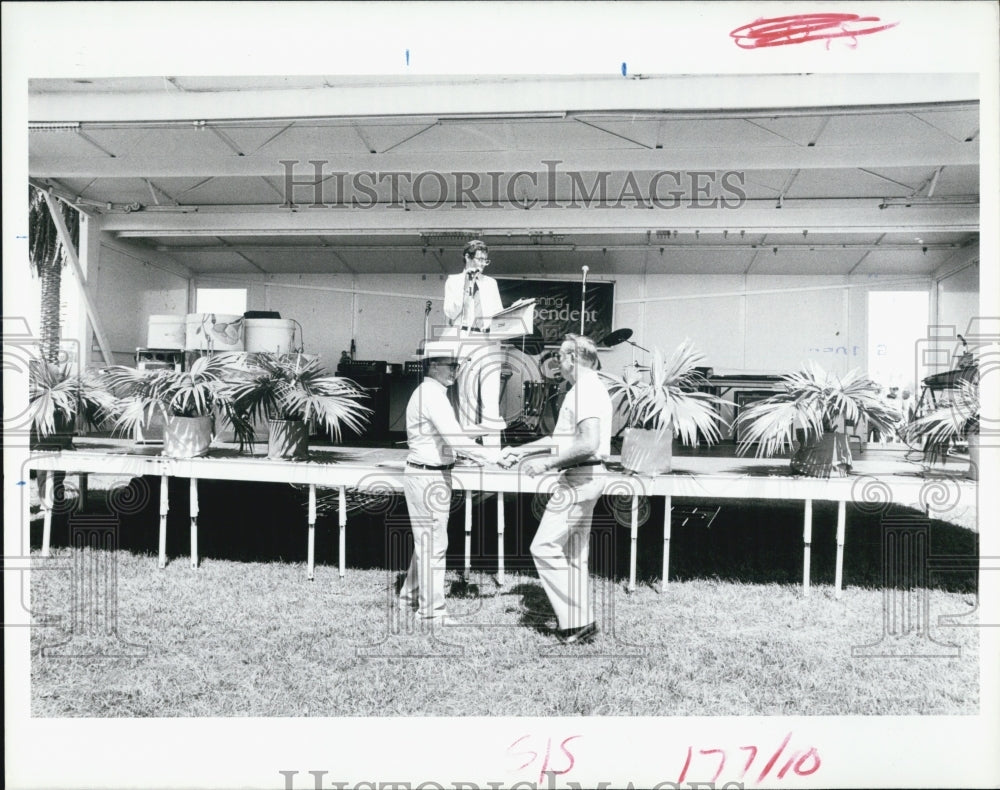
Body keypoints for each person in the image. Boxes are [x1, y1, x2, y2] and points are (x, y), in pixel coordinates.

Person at [499, 333, 612, 644]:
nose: (557, 365)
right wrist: (521, 452)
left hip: (579, 479)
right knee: (575, 553)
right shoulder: (587, 388)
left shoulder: (584, 391)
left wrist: (546, 465)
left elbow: (588, 443)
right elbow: (561, 439)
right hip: (587, 477)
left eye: (560, 359)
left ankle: (578, 622)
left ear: (572, 359)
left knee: (544, 547)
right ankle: (581, 618)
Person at [400, 340, 500, 624]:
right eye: (450, 366)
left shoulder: (433, 393)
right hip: (427, 475)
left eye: (457, 366)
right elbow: (455, 439)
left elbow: (452, 432)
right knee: (433, 544)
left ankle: (409, 596)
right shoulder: (431, 394)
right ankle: (431, 612)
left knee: (427, 541)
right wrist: (494, 456)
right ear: (432, 366)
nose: (455, 371)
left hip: (431, 474)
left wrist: (485, 430)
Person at [443, 239, 505, 446]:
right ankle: (468, 448)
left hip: (489, 339)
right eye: (479, 259)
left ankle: (493, 448)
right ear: (467, 258)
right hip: (465, 338)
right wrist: (464, 288)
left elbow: (497, 312)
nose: (482, 264)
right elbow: (450, 312)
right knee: (467, 394)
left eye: (485, 260)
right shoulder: (453, 281)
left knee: (490, 392)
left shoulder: (491, 283)